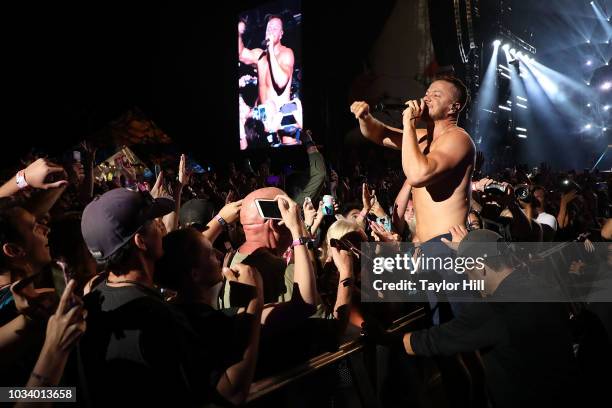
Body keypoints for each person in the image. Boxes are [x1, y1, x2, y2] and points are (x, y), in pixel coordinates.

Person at [78, 188, 252, 406]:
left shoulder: (91, 302)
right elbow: (230, 393)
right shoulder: (159, 318)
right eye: (153, 220)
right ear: (141, 242)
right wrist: (252, 303)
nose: (161, 224)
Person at [401, 229, 578, 408]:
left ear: (481, 268)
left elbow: (435, 340)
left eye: (468, 273)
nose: (470, 282)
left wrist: (387, 339)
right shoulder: (542, 284)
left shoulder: (495, 311)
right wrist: (468, 249)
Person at [350, 77, 475, 244]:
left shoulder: (458, 139)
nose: (426, 98)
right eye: (426, 94)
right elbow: (380, 134)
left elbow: (417, 175)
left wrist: (409, 124)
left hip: (445, 245)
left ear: (454, 107)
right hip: (422, 247)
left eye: (436, 95)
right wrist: (365, 117)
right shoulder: (423, 137)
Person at [239, 15, 301, 141]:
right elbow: (241, 54)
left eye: (275, 28)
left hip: (281, 115)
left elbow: (280, 82)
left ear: (281, 34)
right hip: (263, 116)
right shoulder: (259, 55)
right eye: (269, 28)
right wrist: (238, 32)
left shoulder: (287, 53)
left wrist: (271, 50)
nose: (271, 31)